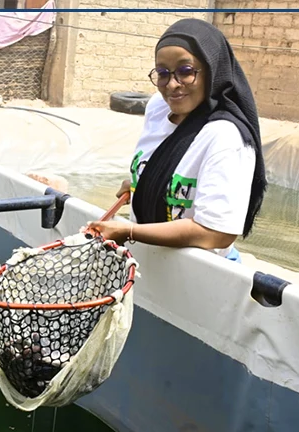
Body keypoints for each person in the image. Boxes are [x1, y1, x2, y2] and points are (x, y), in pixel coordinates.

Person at [86, 18, 266, 263]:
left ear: (212, 70)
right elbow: (166, 165)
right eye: (162, 73)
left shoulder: (225, 137)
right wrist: (143, 185)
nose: (172, 84)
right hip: (151, 264)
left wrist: (127, 231)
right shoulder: (159, 109)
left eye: (186, 71)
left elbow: (216, 233)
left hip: (200, 276)